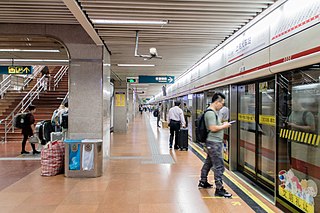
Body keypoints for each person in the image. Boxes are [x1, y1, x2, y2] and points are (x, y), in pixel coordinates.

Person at [198, 92, 232, 198]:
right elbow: (212, 128)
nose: (222, 106)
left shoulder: (213, 112)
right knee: (219, 166)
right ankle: (219, 189)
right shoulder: (210, 113)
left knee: (208, 163)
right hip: (214, 143)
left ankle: (203, 181)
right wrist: (224, 126)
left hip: (213, 142)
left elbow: (214, 126)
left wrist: (221, 125)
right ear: (217, 102)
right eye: (222, 103)